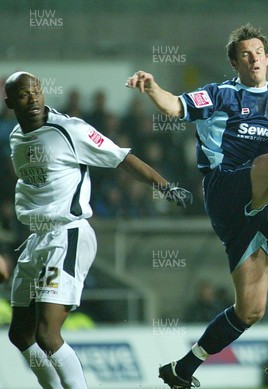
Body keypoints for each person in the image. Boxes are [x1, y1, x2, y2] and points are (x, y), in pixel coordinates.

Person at [126, 24, 268, 389]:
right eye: (245, 54)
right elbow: (175, 106)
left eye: (259, 52)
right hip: (225, 187)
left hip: (252, 206)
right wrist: (152, 87)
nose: (254, 58)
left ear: (267, 57)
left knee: (251, 310)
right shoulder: (220, 94)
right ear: (234, 62)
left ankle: (182, 368)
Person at [5, 71, 192, 389]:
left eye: (37, 90)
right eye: (24, 94)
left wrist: (164, 185)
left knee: (48, 333)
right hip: (35, 238)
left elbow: (121, 157)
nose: (34, 98)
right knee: (20, 334)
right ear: (10, 102)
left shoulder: (70, 130)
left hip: (67, 233)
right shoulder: (15, 138)